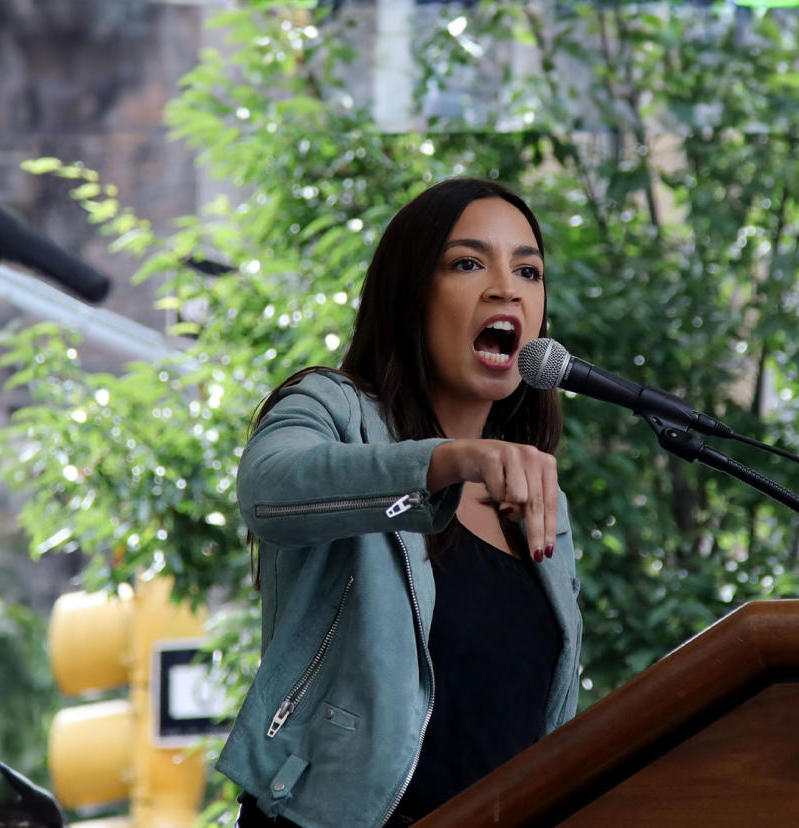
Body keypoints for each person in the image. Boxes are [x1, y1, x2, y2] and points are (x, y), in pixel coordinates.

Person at [216, 178, 583, 828]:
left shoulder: (533, 496)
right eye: (468, 263)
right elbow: (268, 489)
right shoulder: (332, 410)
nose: (507, 288)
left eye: (528, 269)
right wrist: (448, 461)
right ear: (409, 294)